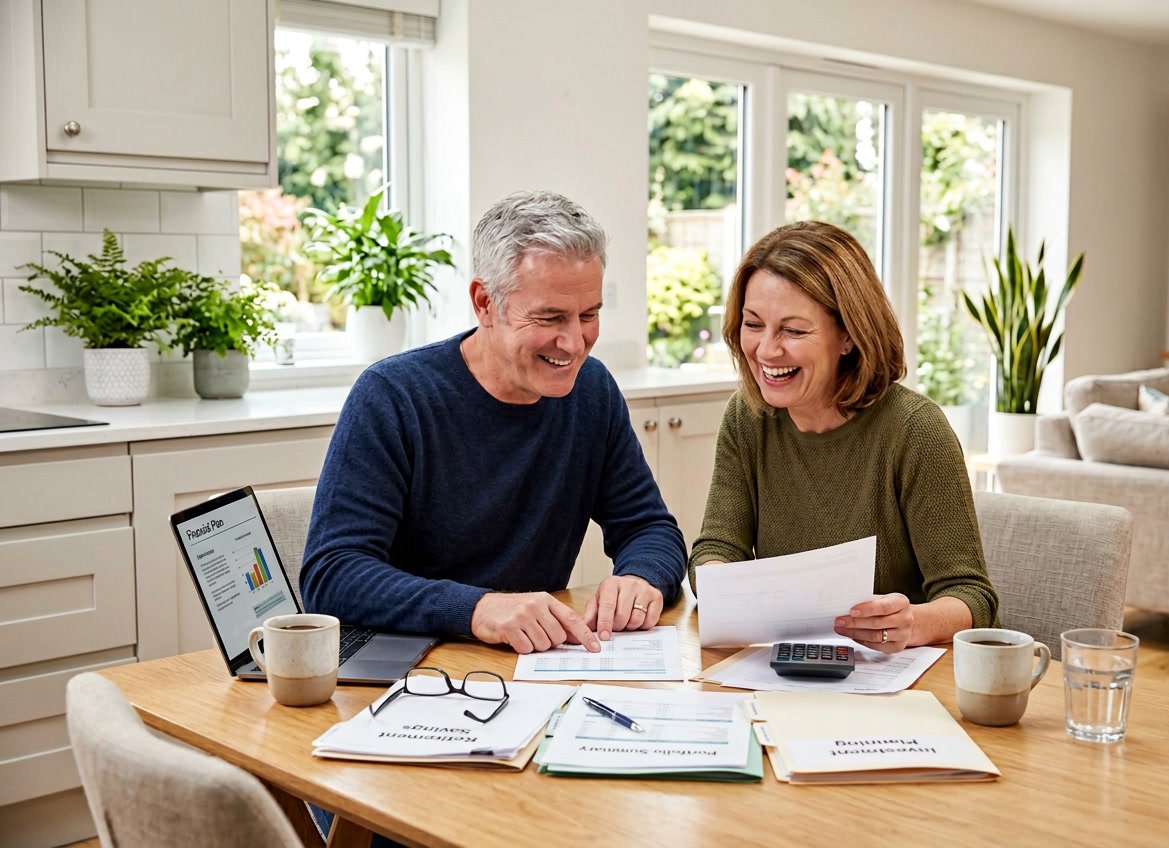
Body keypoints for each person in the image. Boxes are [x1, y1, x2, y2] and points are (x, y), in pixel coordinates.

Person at [302, 190, 687, 655]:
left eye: (589, 315)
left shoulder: (592, 390)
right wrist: (479, 609)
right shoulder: (393, 396)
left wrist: (640, 577)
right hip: (414, 674)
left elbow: (649, 527)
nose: (574, 342)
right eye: (550, 317)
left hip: (530, 667)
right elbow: (333, 575)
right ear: (485, 303)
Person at [689, 220, 998, 652]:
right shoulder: (747, 417)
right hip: (783, 671)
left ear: (848, 336)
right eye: (753, 324)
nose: (766, 350)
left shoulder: (915, 430)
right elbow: (718, 546)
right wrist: (719, 578)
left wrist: (912, 621)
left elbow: (972, 597)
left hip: (891, 681)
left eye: (794, 330)